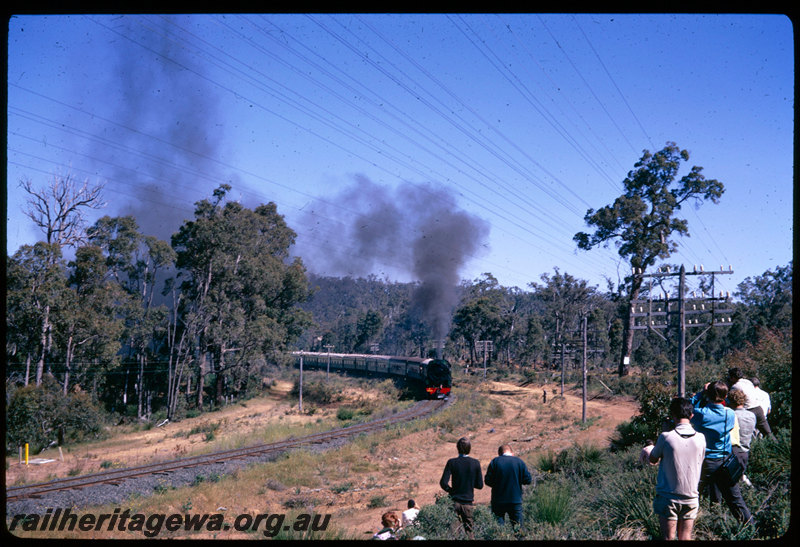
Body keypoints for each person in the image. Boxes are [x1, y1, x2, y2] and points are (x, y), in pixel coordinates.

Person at [691, 381, 754, 526]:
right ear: (726, 396)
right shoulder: (730, 414)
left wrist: (701, 394)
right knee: (735, 499)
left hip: (705, 462)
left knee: (692, 495)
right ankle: (750, 528)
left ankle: (688, 527)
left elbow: (687, 408)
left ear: (709, 395)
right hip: (725, 461)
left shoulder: (702, 414)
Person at [648, 397, 706, 541]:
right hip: (691, 496)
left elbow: (653, 459)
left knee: (668, 537)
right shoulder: (701, 438)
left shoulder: (666, 437)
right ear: (691, 415)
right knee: (686, 537)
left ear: (672, 415)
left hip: (668, 496)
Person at [439, 437, 483, 538]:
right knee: (470, 533)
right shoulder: (475, 463)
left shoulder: (452, 462)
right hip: (468, 503)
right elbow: (480, 485)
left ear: (457, 448)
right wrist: (470, 483)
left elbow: (443, 482)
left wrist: (451, 491)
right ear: (469, 448)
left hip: (454, 502)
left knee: (454, 534)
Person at [484, 444, 533, 528]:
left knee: (498, 531)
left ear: (499, 453)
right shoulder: (519, 462)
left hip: (498, 501)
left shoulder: (495, 462)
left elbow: (488, 481)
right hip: (515, 501)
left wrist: (497, 485)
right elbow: (528, 480)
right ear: (512, 453)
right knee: (518, 530)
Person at [727, 367, 773, 439]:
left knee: (746, 436)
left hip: (748, 410)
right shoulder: (748, 382)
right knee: (767, 432)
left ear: (733, 377)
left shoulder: (735, 387)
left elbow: (732, 400)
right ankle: (777, 446)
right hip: (758, 408)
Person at [729, 388, 756, 486]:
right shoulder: (752, 415)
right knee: (740, 476)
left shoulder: (731, 415)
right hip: (745, 451)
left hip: (733, 452)